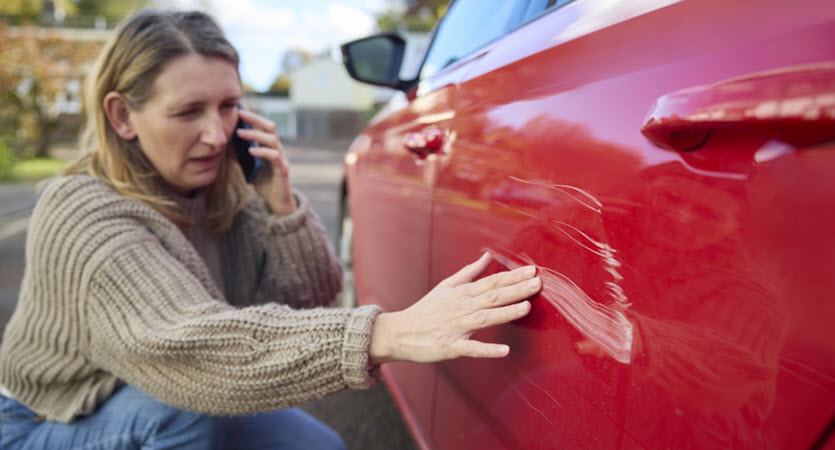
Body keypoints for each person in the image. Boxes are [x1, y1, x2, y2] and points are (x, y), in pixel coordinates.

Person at [0, 9, 541, 449]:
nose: (217, 134)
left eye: (229, 106)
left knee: (318, 445)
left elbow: (303, 305)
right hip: (48, 419)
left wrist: (281, 205)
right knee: (187, 415)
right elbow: (192, 350)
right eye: (188, 111)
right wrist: (388, 333)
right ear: (122, 117)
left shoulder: (226, 189)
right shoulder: (81, 211)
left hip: (150, 396)